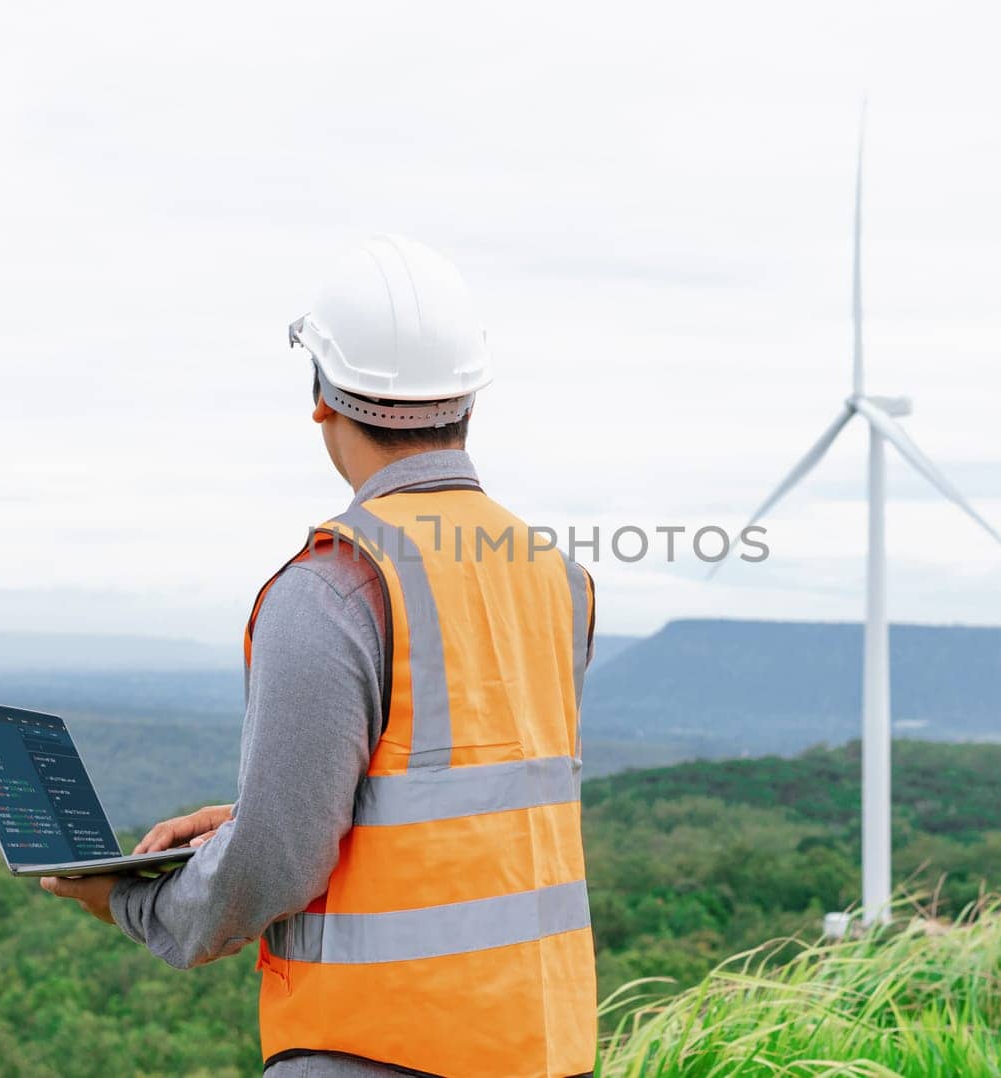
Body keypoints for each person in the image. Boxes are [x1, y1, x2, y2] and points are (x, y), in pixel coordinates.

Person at [41, 235, 598, 1077]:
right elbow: (466, 803)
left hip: (376, 1049)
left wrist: (132, 901)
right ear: (471, 401)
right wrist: (258, 815)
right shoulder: (558, 579)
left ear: (321, 400)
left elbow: (277, 866)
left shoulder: (335, 585)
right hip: (542, 1045)